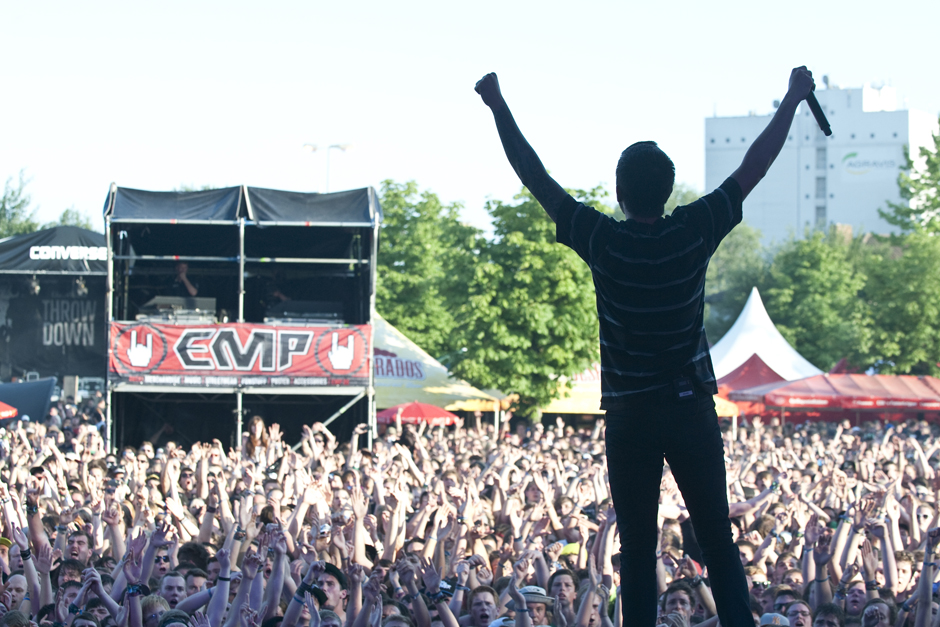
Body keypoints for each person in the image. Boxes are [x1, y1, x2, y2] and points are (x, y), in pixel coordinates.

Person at [474, 67, 817, 627]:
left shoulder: (603, 240)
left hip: (630, 413)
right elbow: (753, 165)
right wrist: (793, 99)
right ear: (668, 189)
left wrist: (497, 105)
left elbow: (535, 176)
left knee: (636, 545)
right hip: (689, 406)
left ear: (619, 192)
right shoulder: (693, 230)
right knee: (716, 537)